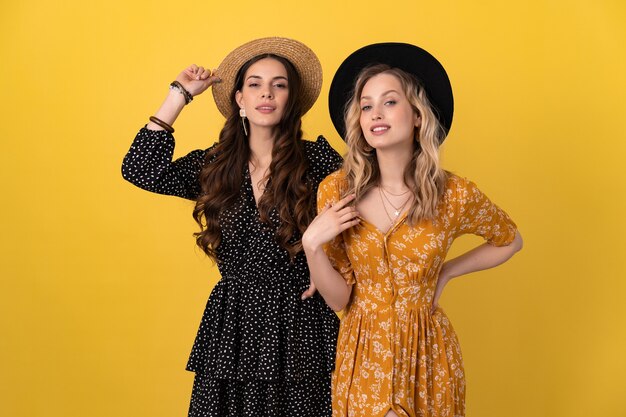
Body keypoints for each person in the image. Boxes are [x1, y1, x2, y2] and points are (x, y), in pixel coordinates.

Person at [122, 37, 342, 417]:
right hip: (233, 327)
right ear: (239, 98)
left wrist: (327, 263)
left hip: (302, 322)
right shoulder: (214, 166)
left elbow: (370, 213)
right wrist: (179, 95)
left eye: (279, 84)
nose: (266, 93)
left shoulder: (318, 161)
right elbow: (140, 169)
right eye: (254, 84)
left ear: (291, 99)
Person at [301, 43, 523, 417]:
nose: (375, 114)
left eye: (389, 102)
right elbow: (339, 300)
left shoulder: (454, 194)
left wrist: (448, 270)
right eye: (366, 106)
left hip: (428, 355)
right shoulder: (337, 191)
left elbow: (510, 240)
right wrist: (312, 245)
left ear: (418, 115)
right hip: (363, 354)